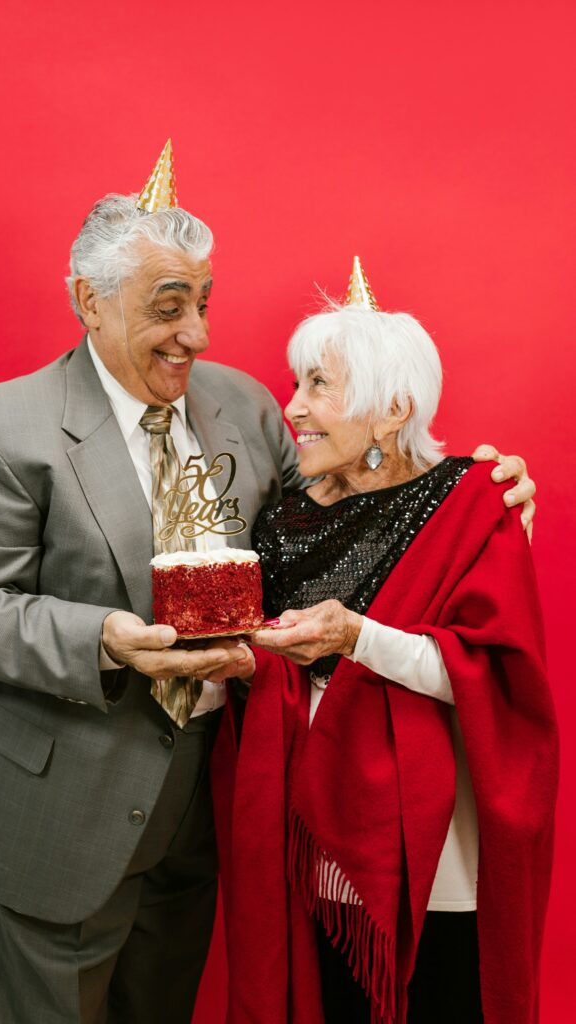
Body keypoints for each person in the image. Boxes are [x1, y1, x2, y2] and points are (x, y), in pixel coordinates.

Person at [0, 137, 536, 1024]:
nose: (196, 335)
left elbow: (343, 521)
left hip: (204, 810)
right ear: (89, 301)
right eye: (169, 307)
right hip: (55, 814)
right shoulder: (1, 428)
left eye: (204, 302)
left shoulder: (243, 406)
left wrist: (471, 495)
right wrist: (108, 641)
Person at [212, 264, 558, 1024]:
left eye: (317, 387)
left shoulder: (473, 500)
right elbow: (263, 677)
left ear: (391, 408)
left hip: (430, 850)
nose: (292, 408)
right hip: (310, 831)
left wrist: (355, 636)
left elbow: (486, 676)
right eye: (294, 384)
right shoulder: (282, 519)